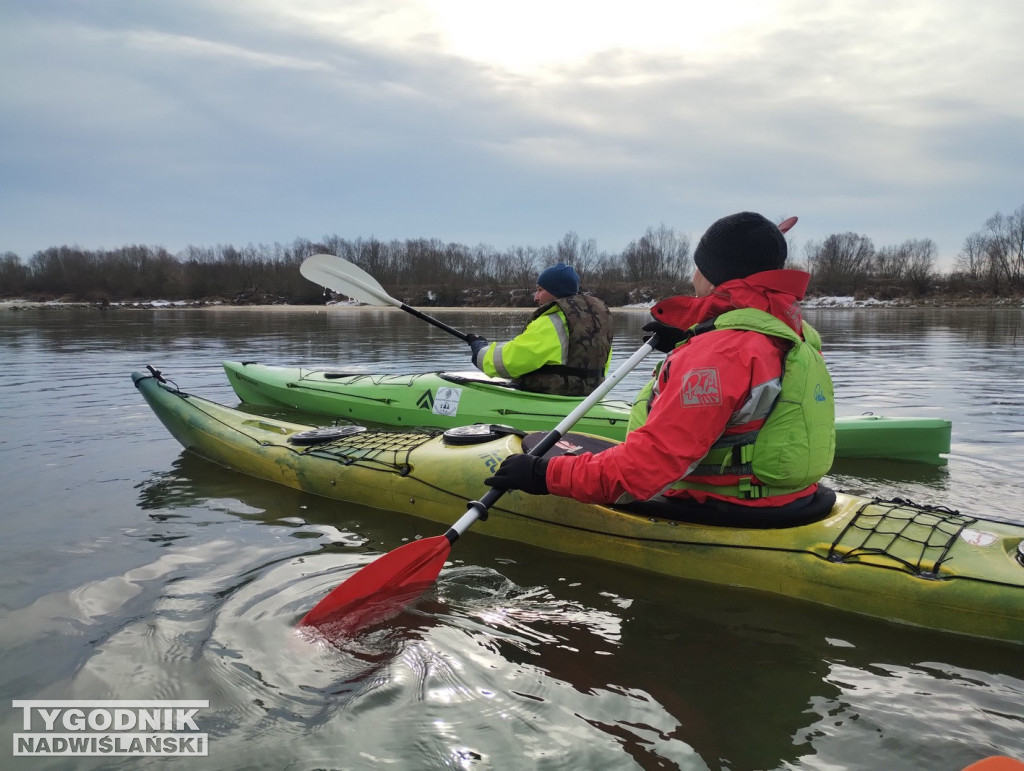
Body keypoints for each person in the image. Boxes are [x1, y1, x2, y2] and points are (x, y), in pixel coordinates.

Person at [484, 212, 837, 518]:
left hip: (721, 504)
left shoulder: (720, 353)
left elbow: (645, 471)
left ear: (710, 273)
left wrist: (543, 476)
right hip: (789, 497)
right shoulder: (794, 331)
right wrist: (694, 334)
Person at [466, 262, 614, 397]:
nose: (536, 297)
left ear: (556, 291)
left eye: (540, 290)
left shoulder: (552, 322)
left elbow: (509, 362)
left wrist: (480, 351)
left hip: (553, 398)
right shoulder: (597, 322)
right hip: (589, 398)